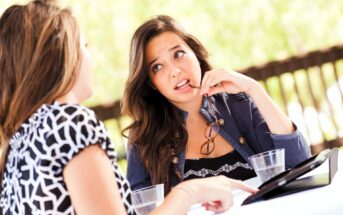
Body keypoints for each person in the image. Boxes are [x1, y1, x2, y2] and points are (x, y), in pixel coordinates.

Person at [0, 1, 257, 214]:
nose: (90, 57)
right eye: (84, 46)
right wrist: (189, 191)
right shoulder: (70, 125)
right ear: (63, 58)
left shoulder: (20, 140)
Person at [122, 15, 312, 193]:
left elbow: (299, 163)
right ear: (151, 83)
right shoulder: (143, 138)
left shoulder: (238, 105)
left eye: (178, 54)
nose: (174, 71)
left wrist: (254, 89)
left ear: (195, 54)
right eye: (157, 67)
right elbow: (142, 208)